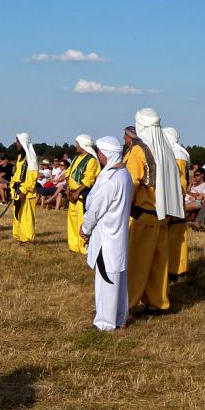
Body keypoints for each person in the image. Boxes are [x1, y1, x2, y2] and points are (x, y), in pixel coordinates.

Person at [124, 109, 184, 313]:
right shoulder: (167, 148)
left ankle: (126, 302)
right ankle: (158, 301)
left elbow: (131, 182)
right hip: (163, 215)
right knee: (159, 263)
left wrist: (124, 207)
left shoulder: (139, 150)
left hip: (144, 214)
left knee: (136, 263)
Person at [80, 136, 132, 331]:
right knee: (117, 279)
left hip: (107, 237)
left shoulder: (111, 180)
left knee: (106, 281)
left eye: (101, 153)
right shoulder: (124, 174)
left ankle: (104, 323)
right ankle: (118, 318)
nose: (99, 157)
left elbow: (95, 210)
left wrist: (85, 229)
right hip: (117, 234)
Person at [163, 127, 191, 278]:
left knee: (175, 234)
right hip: (173, 199)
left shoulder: (177, 153)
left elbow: (179, 182)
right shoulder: (178, 151)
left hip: (174, 200)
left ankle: (175, 268)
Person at [66, 134, 100, 254]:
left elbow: (89, 179)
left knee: (81, 220)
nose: (76, 146)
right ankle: (73, 245)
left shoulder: (91, 160)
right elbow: (68, 173)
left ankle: (82, 246)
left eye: (77, 143)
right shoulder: (76, 158)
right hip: (72, 193)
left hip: (82, 194)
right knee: (72, 219)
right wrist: (68, 189)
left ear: (82, 144)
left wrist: (77, 192)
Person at [12, 132, 38, 242]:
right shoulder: (19, 158)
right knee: (18, 214)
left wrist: (24, 190)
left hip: (26, 192)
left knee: (26, 217)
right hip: (18, 190)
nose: (16, 144)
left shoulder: (31, 158)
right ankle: (19, 236)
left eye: (18, 142)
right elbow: (17, 174)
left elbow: (32, 177)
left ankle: (27, 239)